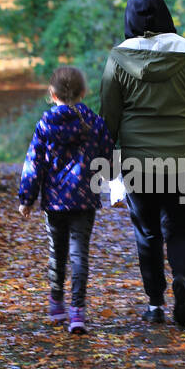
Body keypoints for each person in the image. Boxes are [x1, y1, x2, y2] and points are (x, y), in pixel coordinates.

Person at [100, 0, 185, 328]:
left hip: (138, 164)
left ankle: (156, 303)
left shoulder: (117, 58)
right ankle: (182, 280)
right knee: (183, 227)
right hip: (183, 161)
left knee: (147, 231)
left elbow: (109, 116)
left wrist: (103, 158)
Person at [18, 65, 114, 334]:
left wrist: (27, 197)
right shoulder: (95, 122)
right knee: (79, 254)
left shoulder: (46, 124)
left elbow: (33, 163)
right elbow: (107, 156)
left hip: (55, 202)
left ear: (52, 93)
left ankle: (57, 303)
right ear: (84, 92)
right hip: (84, 200)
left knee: (57, 253)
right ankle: (77, 313)